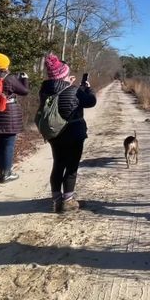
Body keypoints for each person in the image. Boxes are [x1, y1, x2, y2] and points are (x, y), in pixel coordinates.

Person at [39, 54, 97, 213]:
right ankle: (68, 201)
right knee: (71, 167)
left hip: (54, 133)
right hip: (73, 133)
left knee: (58, 164)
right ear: (64, 74)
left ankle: (56, 200)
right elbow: (91, 102)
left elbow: (59, 92)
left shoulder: (45, 89)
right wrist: (86, 89)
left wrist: (70, 85)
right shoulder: (74, 91)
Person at [0, 52, 29, 183]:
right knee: (9, 145)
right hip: (9, 115)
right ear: (5, 65)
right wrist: (24, 79)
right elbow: (24, 91)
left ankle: (0, 172)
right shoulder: (9, 78)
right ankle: (7, 173)